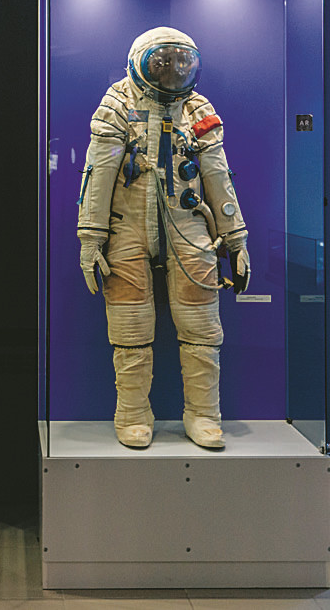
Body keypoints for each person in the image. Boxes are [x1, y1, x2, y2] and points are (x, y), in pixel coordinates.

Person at [77, 26, 249, 448]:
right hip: (127, 224)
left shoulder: (197, 108)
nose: (174, 71)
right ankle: (133, 413)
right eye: (163, 63)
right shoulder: (118, 102)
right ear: (140, 64)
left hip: (188, 223)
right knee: (130, 327)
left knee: (201, 325)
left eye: (182, 63)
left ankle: (204, 414)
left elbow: (217, 175)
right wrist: (91, 238)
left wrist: (236, 239)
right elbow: (98, 174)